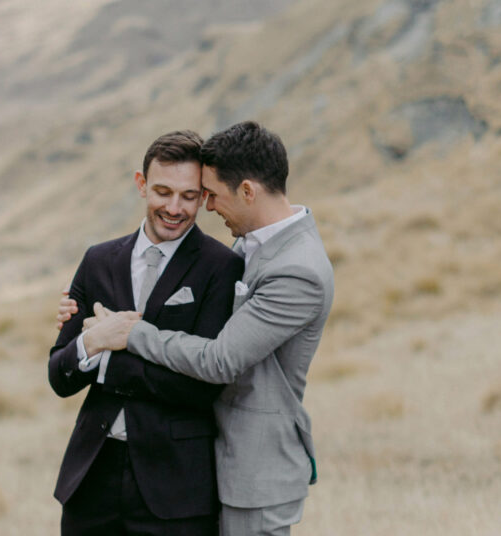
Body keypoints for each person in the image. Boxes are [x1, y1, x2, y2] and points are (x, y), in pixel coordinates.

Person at [80, 121, 334, 536]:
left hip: (256, 470)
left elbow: (220, 359)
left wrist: (129, 331)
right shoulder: (255, 243)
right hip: (214, 460)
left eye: (212, 195)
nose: (209, 208)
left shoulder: (297, 270)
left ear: (248, 191)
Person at [48, 130, 245, 535]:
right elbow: (60, 376)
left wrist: (109, 362)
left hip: (175, 490)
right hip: (90, 482)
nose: (174, 208)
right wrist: (92, 341)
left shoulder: (220, 267)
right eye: (162, 192)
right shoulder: (98, 260)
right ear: (141, 185)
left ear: (203, 196)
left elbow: (202, 386)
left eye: (188, 196)